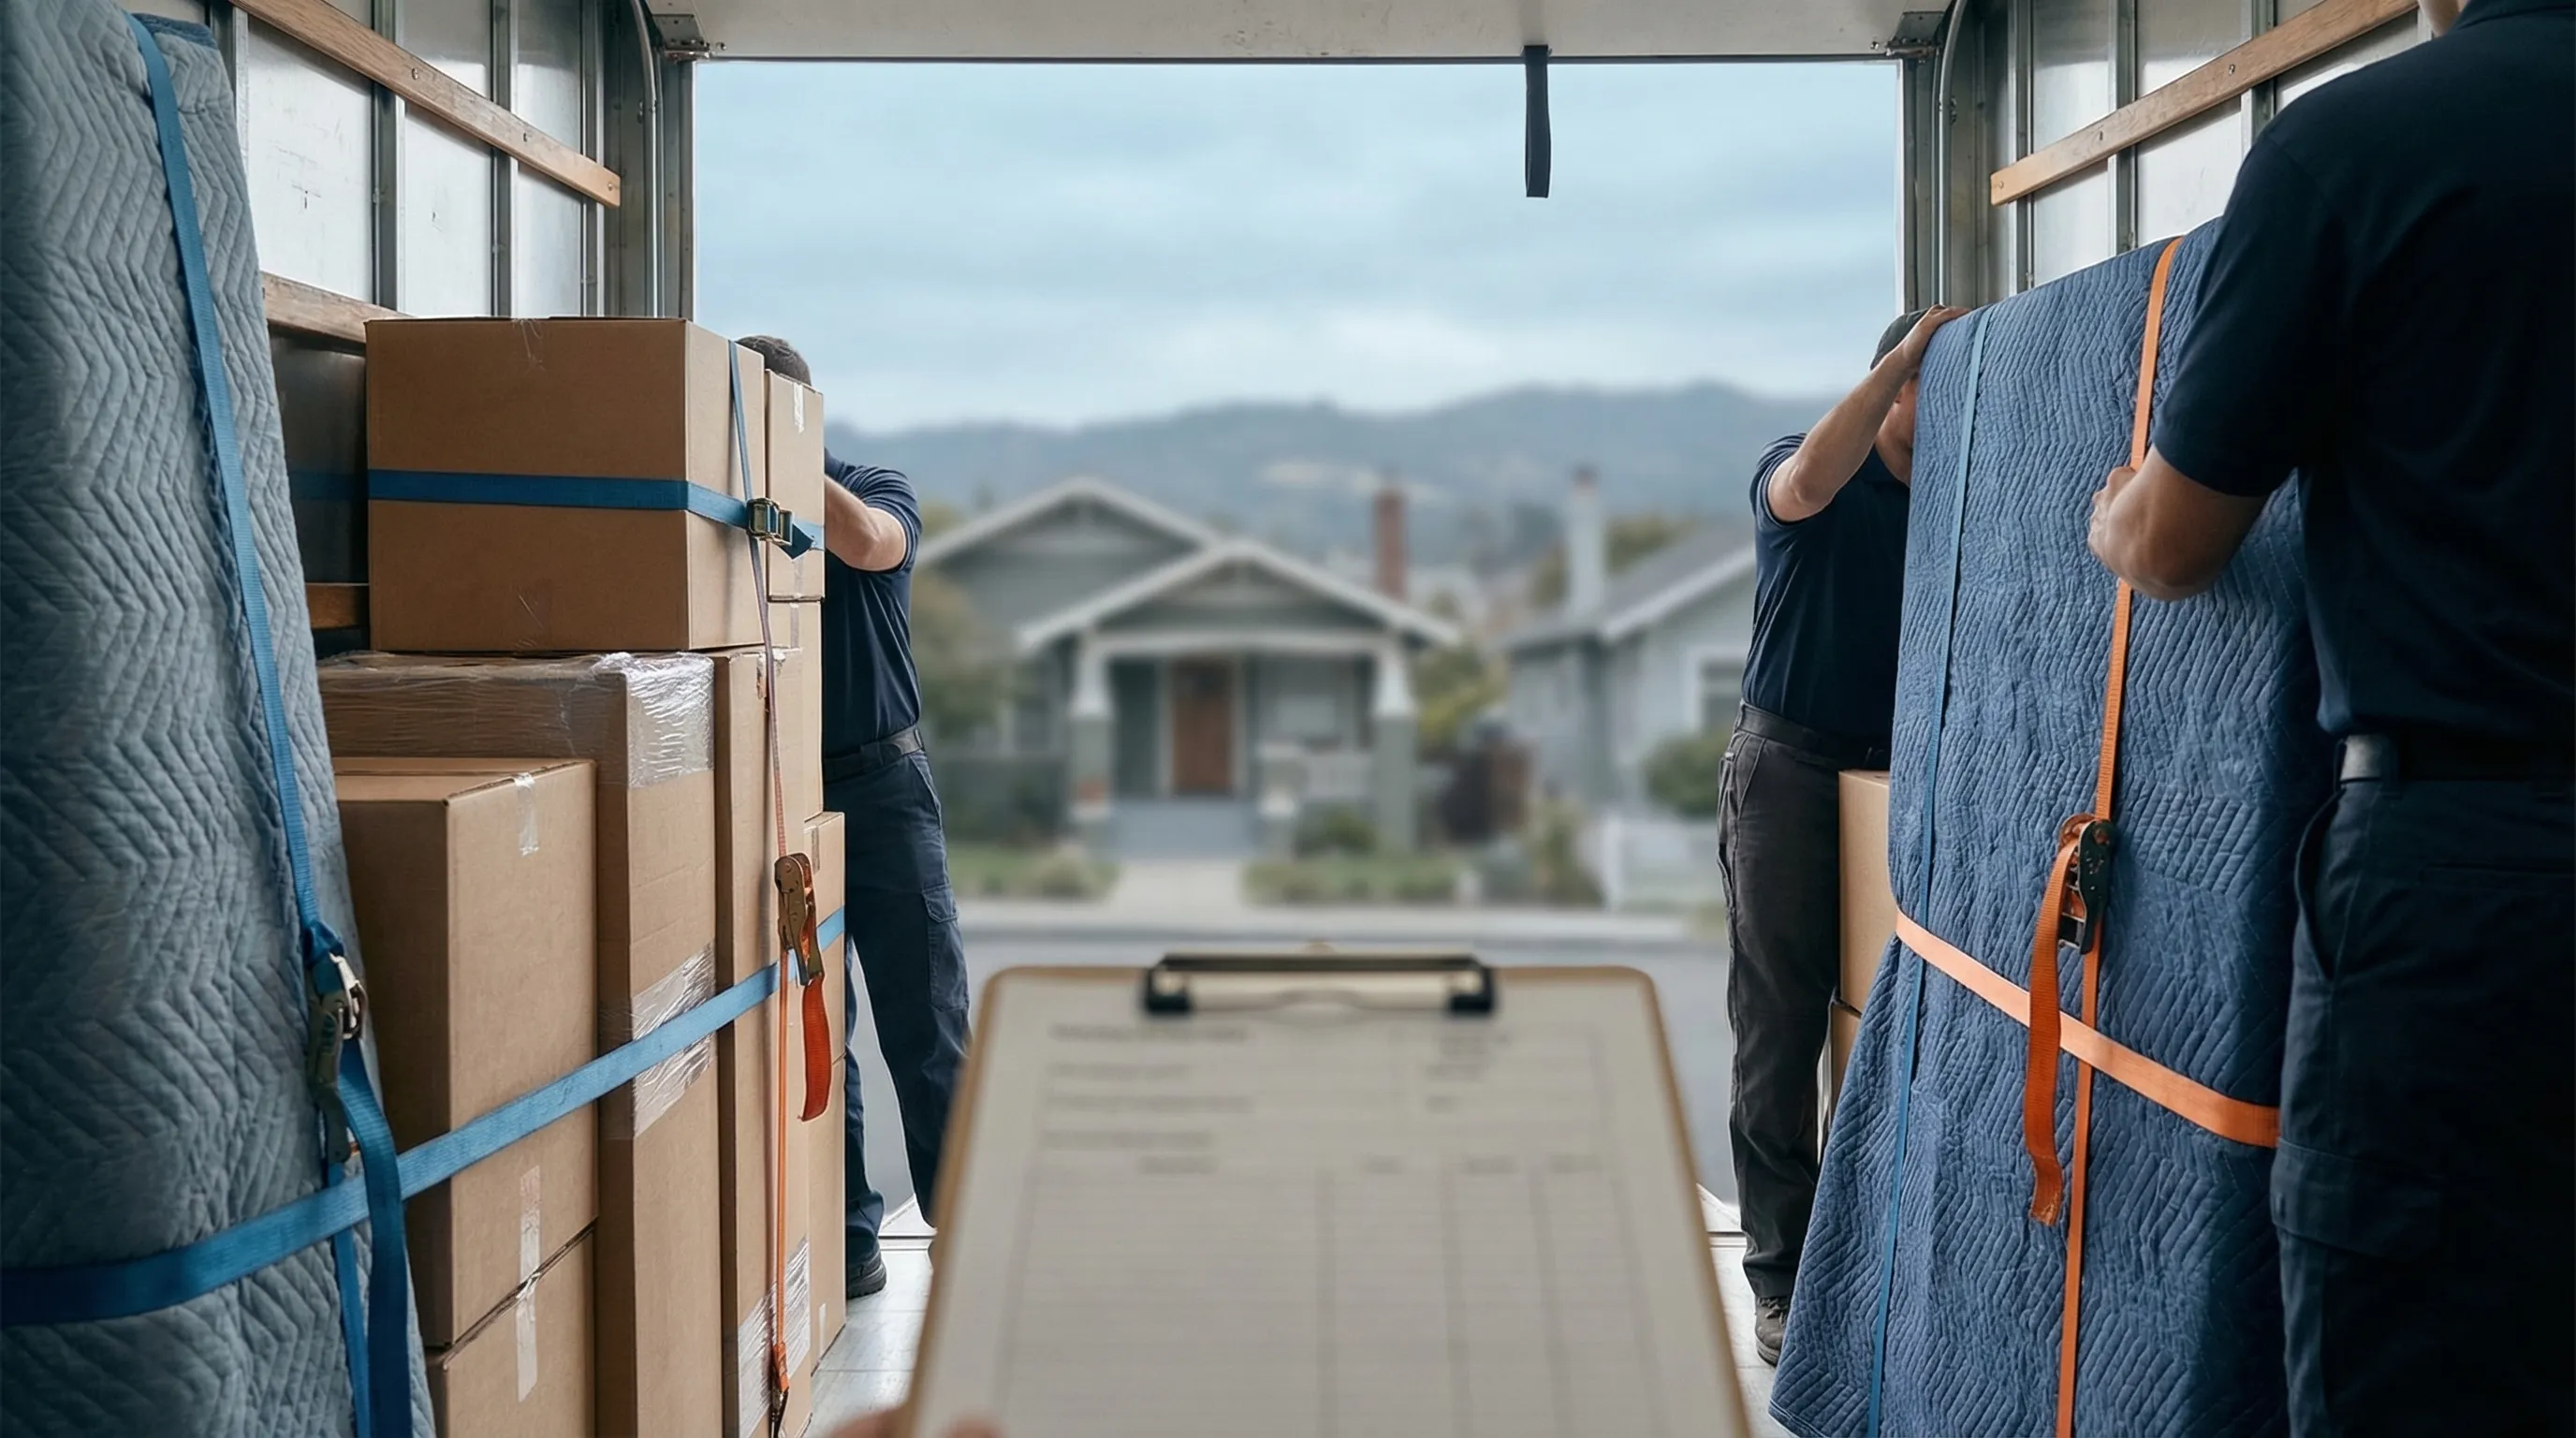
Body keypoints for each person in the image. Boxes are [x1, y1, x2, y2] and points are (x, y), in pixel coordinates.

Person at [2083, 0, 2572, 1429]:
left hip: (2468, 873)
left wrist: (2114, 515)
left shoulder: (2359, 145)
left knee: (2411, 1358)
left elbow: (2178, 541)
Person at [1721, 302, 1968, 1364]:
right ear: (1898, 387)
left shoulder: (1958, 498)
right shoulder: (1808, 464)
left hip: (1893, 772)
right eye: (1933, 380)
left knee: (1884, 1018)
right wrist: (1904, 360)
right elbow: (1809, 482)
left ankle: (1861, 1263)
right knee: (1779, 1020)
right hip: (1785, 765)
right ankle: (1780, 1281)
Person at [739, 335, 972, 1302]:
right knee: (816, 1017)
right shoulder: (725, 512)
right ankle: (850, 1246)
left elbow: (871, 544)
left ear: (800, 413)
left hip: (884, 787)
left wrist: (787, 456)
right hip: (783, 797)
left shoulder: (874, 485)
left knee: (927, 1021)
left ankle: (970, 1235)